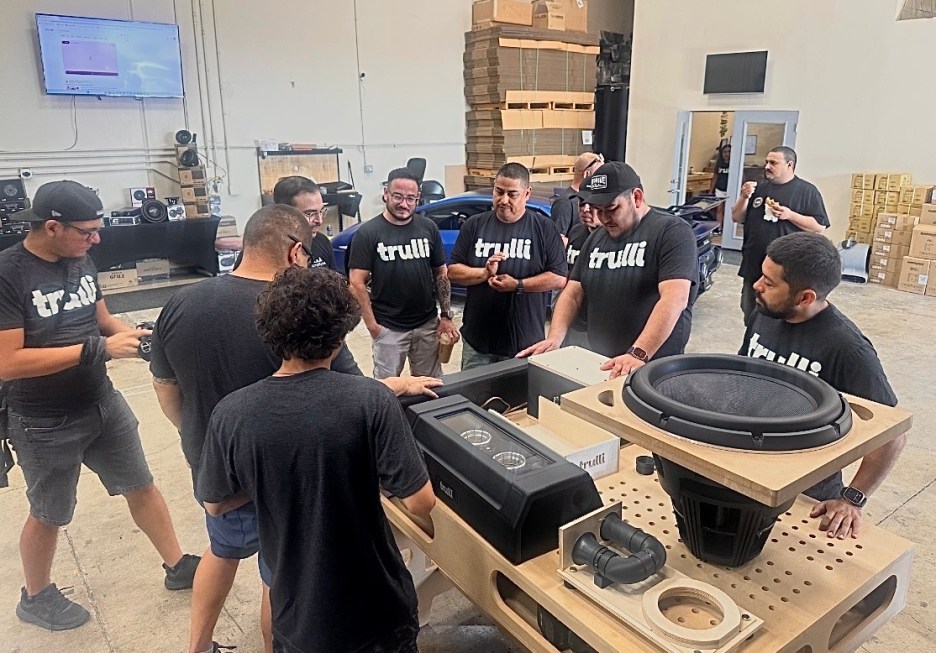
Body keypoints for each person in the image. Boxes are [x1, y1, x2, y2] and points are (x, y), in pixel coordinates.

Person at [149, 204, 441, 653]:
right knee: (282, 577)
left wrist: (201, 440)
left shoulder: (182, 305)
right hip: (303, 484)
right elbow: (346, 393)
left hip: (223, 468)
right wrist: (397, 387)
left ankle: (199, 646)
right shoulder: (314, 313)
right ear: (294, 252)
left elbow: (165, 386)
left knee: (222, 552)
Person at [0, 180, 199, 632]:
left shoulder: (80, 259)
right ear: (52, 227)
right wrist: (97, 350)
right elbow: (8, 362)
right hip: (43, 419)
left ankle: (176, 565)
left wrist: (143, 338)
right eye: (87, 231)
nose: (96, 239)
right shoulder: (8, 273)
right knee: (49, 512)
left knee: (140, 485)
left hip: (100, 400)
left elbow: (102, 320)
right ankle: (35, 596)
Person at [740, 232, 905, 540]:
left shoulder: (848, 349)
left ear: (805, 297)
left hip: (806, 493)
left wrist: (853, 499)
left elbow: (892, 433)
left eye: (770, 283)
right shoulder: (765, 314)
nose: (757, 286)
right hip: (748, 468)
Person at [518, 162, 698, 379]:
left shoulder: (671, 232)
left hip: (653, 368)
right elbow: (573, 293)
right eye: (598, 210)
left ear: (637, 197)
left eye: (611, 209)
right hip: (603, 363)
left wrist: (638, 353)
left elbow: (674, 299)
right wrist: (555, 338)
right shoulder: (596, 238)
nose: (603, 218)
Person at [448, 163, 568, 370]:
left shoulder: (544, 228)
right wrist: (483, 273)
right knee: (474, 391)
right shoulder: (474, 225)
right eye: (499, 192)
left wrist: (518, 285)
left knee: (518, 392)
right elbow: (452, 271)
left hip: (525, 344)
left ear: (527, 194)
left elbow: (558, 278)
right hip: (478, 343)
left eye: (512, 194)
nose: (503, 200)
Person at [348, 168, 458, 379]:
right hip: (388, 328)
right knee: (387, 389)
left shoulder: (428, 228)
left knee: (430, 384)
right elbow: (356, 282)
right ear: (386, 193)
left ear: (418, 198)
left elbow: (441, 274)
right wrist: (373, 327)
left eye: (410, 198)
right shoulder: (368, 232)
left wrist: (445, 316)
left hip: (427, 324)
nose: (404, 204)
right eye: (398, 196)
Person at [731, 146, 829, 326]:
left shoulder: (806, 191)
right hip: (754, 265)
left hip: (784, 271)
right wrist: (744, 197)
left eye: (773, 163)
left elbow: (819, 226)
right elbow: (737, 217)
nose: (767, 166)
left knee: (778, 315)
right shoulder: (760, 188)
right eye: (767, 162)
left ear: (789, 165)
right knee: (750, 311)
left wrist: (790, 215)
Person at [272, 175, 335, 270]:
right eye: (310, 214)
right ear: (284, 213)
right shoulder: (266, 251)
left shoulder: (322, 242)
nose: (320, 221)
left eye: (321, 211)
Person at [562, 200, 601, 349]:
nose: (585, 209)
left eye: (592, 205)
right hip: (571, 322)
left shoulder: (612, 238)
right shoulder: (576, 231)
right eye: (582, 204)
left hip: (597, 329)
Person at [550, 152, 603, 243]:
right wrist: (579, 247)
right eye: (599, 173)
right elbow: (557, 239)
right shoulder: (565, 202)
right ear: (587, 174)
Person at [708, 142, 731, 231]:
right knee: (719, 209)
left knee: (728, 209)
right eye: (724, 152)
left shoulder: (734, 164)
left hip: (730, 189)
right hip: (720, 189)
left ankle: (727, 229)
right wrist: (711, 191)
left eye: (729, 151)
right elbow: (715, 177)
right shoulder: (719, 164)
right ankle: (719, 228)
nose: (726, 154)